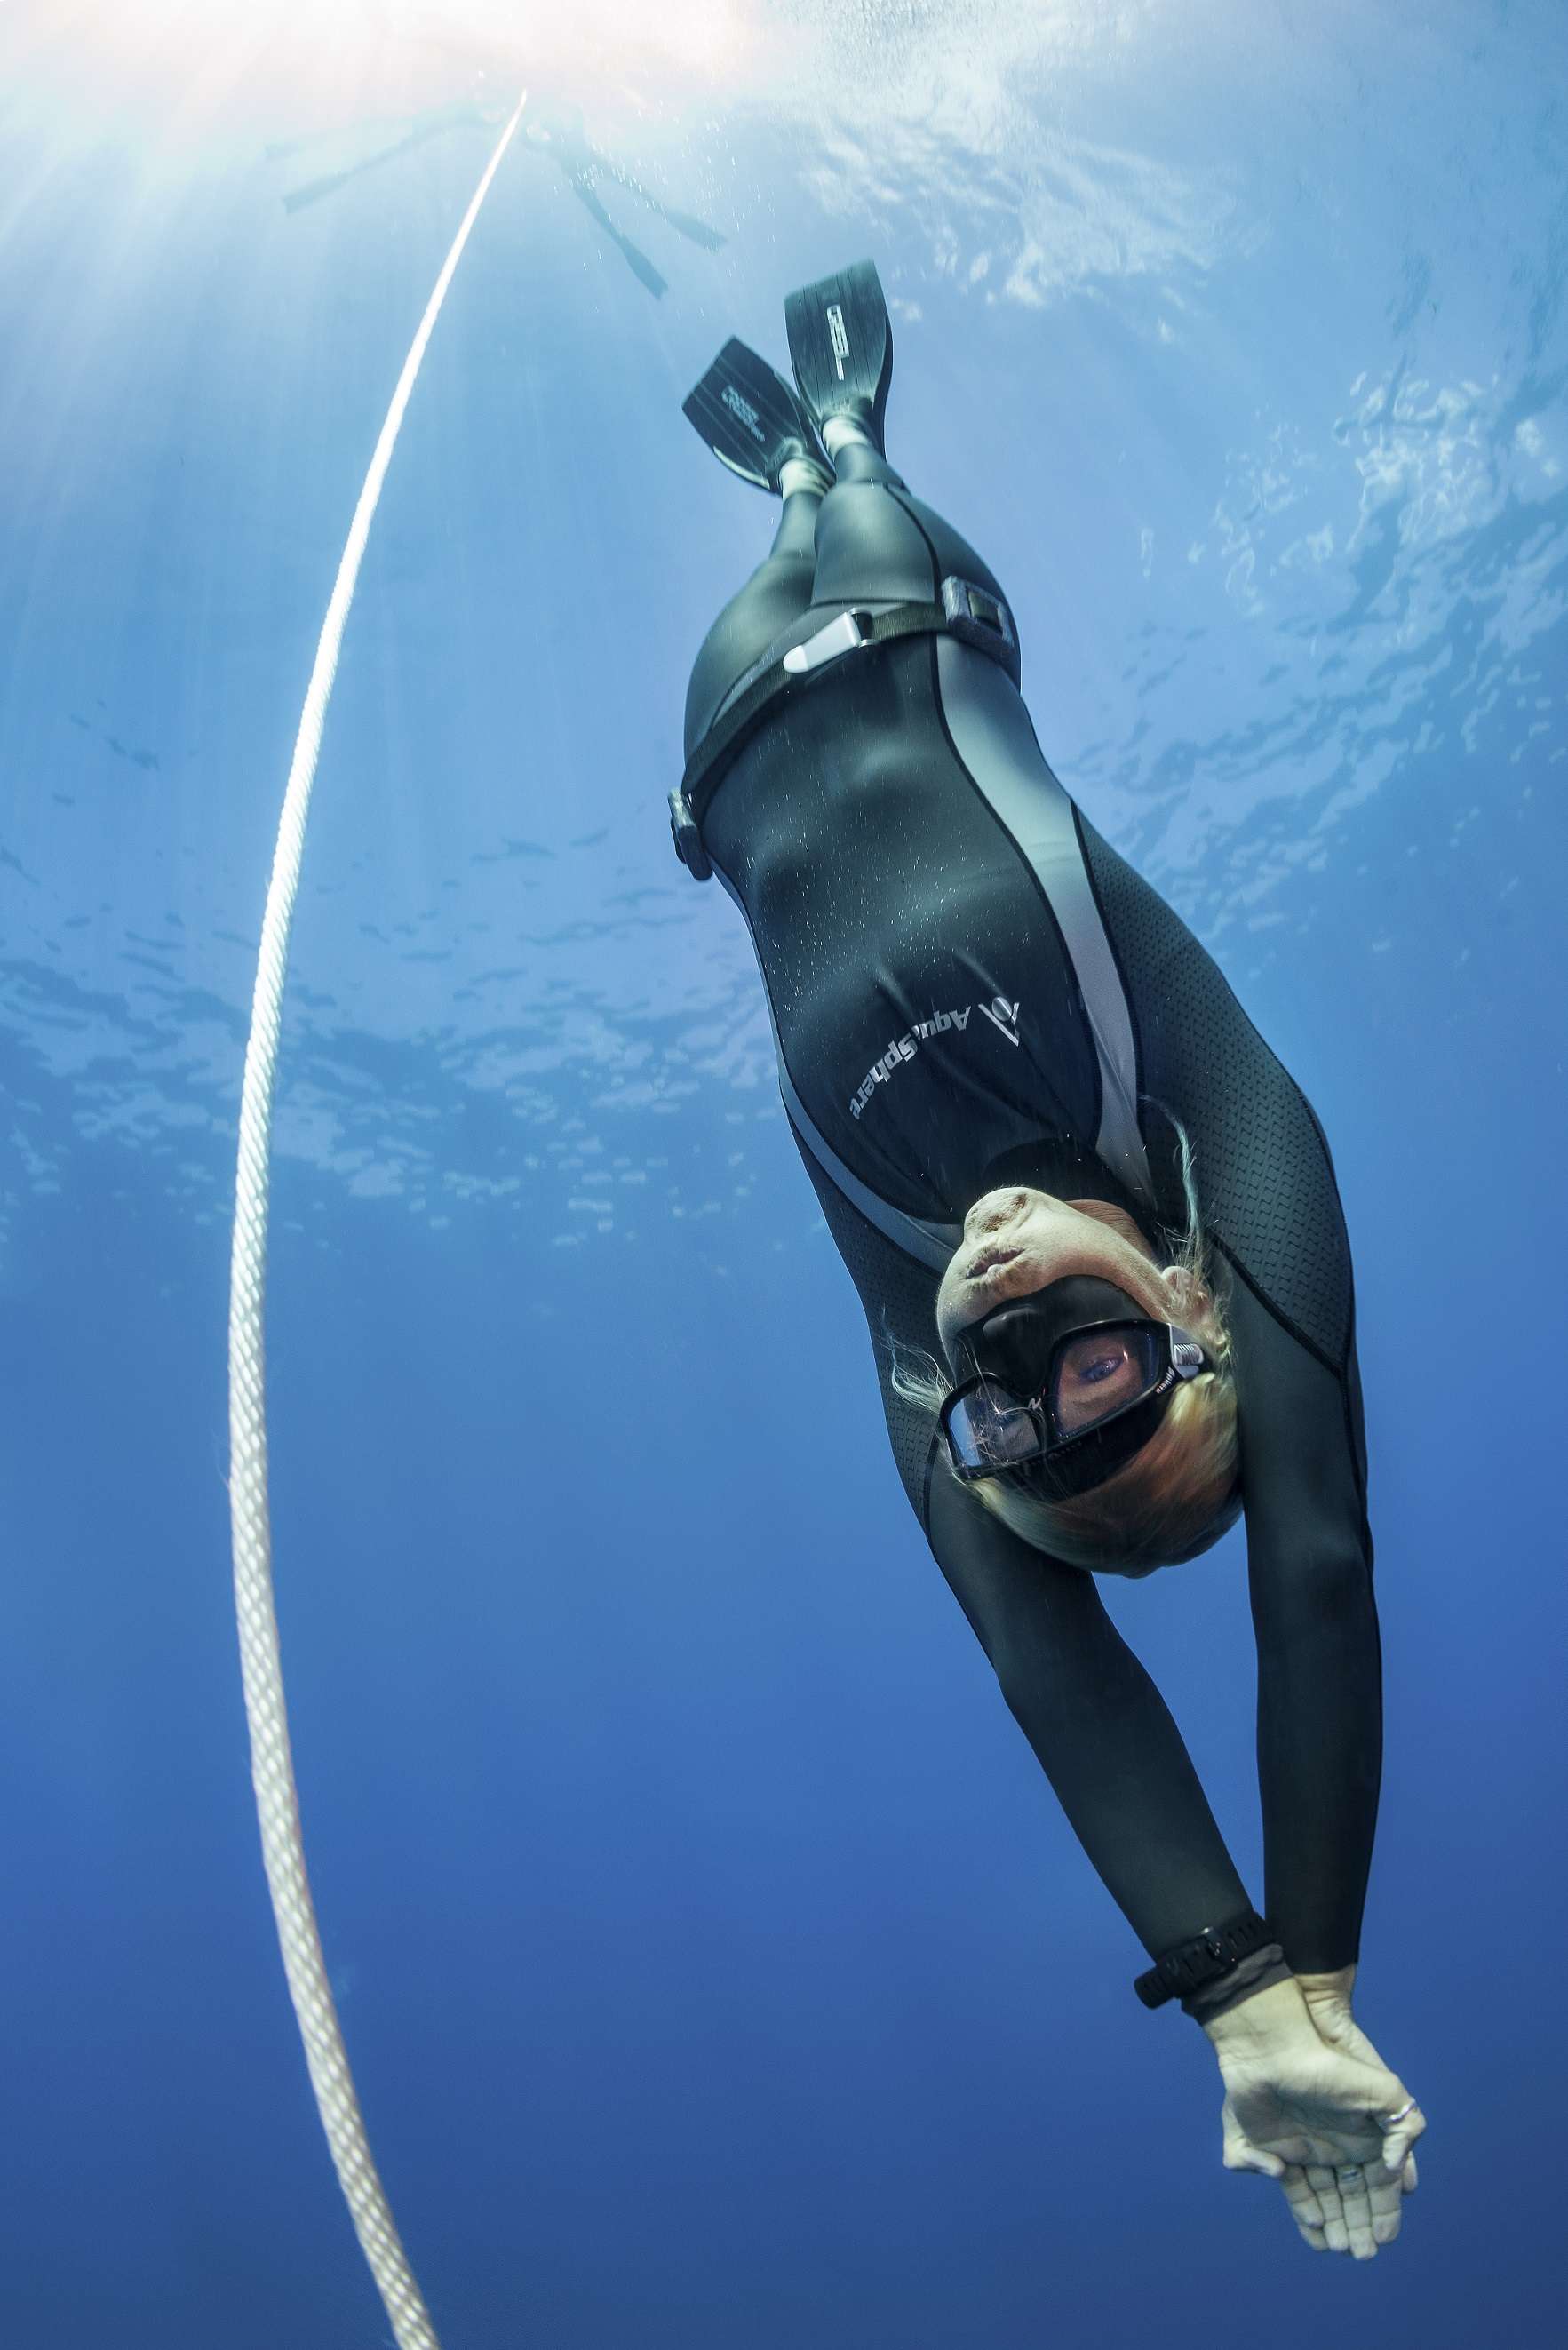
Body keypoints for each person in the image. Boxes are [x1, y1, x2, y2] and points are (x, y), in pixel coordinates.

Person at [673, 262, 1427, 2259]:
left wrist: (1230, 1992)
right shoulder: (1176, 1080)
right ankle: (832, 447)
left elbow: (1034, 1654)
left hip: (718, 741)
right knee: (839, 476)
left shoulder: (904, 1308)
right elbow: (1316, 1566)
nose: (1013, 1332)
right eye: (1098, 1363)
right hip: (909, 595)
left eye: (1016, 1411)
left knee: (1022, 1450)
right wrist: (1291, 1989)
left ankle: (791, 471)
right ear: (1192, 1301)